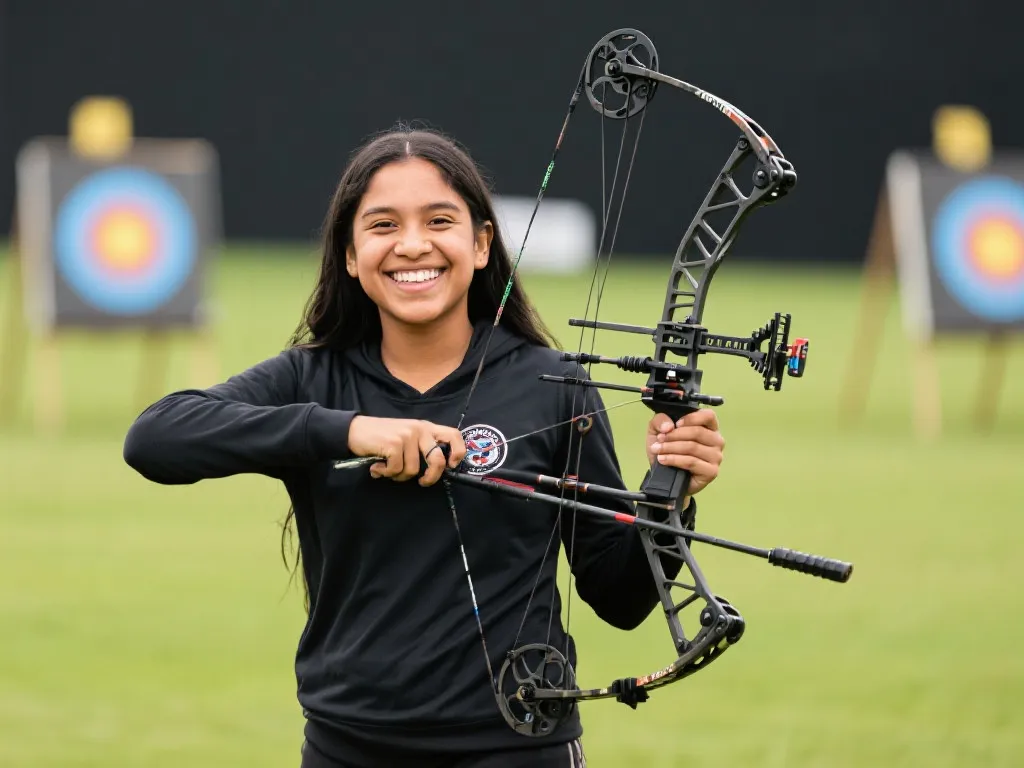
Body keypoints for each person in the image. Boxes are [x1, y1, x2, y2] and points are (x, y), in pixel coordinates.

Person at [122, 126, 726, 768]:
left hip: (517, 747)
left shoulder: (554, 384)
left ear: (482, 243)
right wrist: (349, 429)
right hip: (349, 747)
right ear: (350, 254)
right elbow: (155, 437)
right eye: (382, 225)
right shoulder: (312, 379)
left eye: (440, 221)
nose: (412, 245)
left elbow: (620, 597)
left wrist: (669, 490)